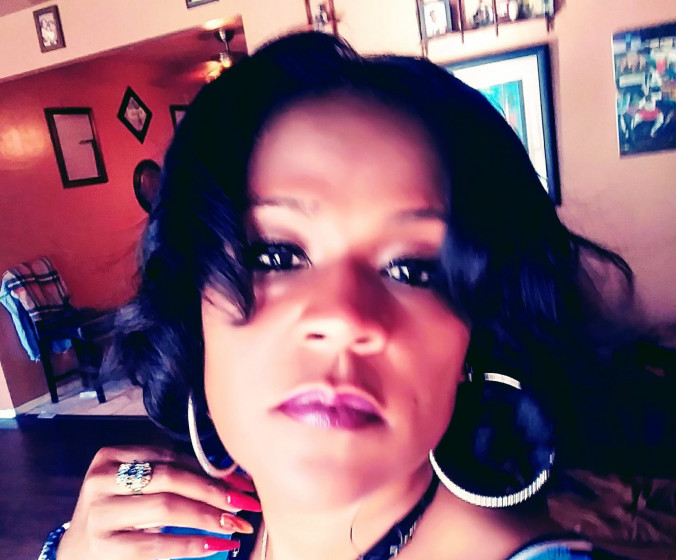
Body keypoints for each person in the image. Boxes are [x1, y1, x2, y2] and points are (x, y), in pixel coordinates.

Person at [41, 32, 638, 560]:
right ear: (193, 312)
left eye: (412, 270)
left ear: (475, 339)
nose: (342, 317)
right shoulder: (144, 546)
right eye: (276, 255)